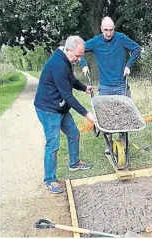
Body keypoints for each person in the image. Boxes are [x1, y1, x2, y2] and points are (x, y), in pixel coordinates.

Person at [34, 36, 95, 194]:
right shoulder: (58, 64)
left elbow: (71, 80)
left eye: (81, 56)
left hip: (60, 107)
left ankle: (74, 163)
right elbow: (67, 95)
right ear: (68, 50)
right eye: (78, 56)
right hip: (48, 109)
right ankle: (50, 180)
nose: (79, 59)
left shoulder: (66, 59)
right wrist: (86, 113)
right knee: (53, 144)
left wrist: (83, 88)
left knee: (73, 133)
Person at [80, 16, 141, 154]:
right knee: (105, 116)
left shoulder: (120, 38)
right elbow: (79, 50)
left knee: (124, 115)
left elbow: (137, 49)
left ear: (114, 29)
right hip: (105, 86)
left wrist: (128, 66)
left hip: (120, 84)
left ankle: (123, 141)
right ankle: (108, 144)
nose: (108, 33)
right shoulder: (95, 42)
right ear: (101, 29)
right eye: (106, 30)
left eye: (111, 30)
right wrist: (83, 65)